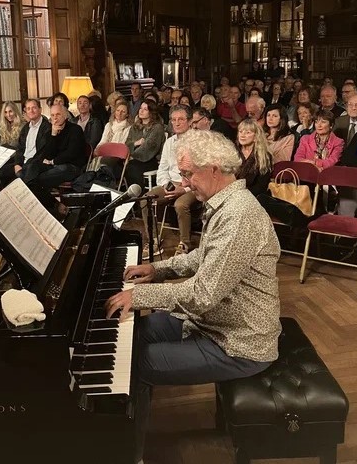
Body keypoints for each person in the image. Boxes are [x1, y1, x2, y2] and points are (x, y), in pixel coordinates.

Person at [104, 129, 281, 464]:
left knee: (134, 364)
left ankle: (131, 455)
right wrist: (158, 270)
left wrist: (139, 296)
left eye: (187, 174)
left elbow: (203, 293)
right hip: (215, 323)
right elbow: (202, 258)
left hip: (240, 341)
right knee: (136, 334)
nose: (184, 183)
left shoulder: (239, 216)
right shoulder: (226, 202)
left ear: (214, 168)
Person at [141, 105, 198, 259]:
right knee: (146, 199)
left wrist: (183, 189)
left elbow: (200, 173)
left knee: (180, 204)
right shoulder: (169, 142)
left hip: (192, 184)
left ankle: (185, 243)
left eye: (181, 119)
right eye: (173, 120)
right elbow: (162, 168)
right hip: (171, 182)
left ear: (190, 121)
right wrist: (166, 185)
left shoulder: (198, 141)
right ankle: (153, 240)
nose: (176, 123)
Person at [0, 99, 51, 185]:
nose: (31, 111)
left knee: (29, 168)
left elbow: (44, 150)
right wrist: (17, 164)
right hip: (23, 162)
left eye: (34, 108)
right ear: (25, 111)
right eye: (28, 108)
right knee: (0, 172)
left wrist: (27, 163)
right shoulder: (26, 128)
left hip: (37, 163)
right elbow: (20, 149)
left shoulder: (47, 127)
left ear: (40, 110)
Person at [33, 104, 87, 189]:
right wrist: (53, 135)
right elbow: (48, 155)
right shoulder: (50, 132)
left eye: (58, 114)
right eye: (52, 115)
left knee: (38, 179)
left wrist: (52, 161)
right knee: (31, 167)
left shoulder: (75, 129)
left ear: (65, 115)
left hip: (72, 166)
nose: (55, 118)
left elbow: (71, 153)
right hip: (54, 165)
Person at [124, 99, 165, 189]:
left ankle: (139, 198)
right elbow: (126, 144)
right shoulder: (134, 127)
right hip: (132, 158)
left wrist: (131, 154)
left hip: (150, 159)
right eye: (140, 108)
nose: (141, 111)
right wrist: (136, 143)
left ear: (151, 113)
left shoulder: (157, 128)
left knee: (132, 168)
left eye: (145, 109)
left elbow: (148, 147)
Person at [235, 118, 273, 196]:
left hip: (252, 197)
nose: (242, 135)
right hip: (231, 194)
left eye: (248, 132)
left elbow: (261, 186)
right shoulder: (232, 152)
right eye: (240, 131)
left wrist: (242, 196)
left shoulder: (264, 156)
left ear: (256, 137)